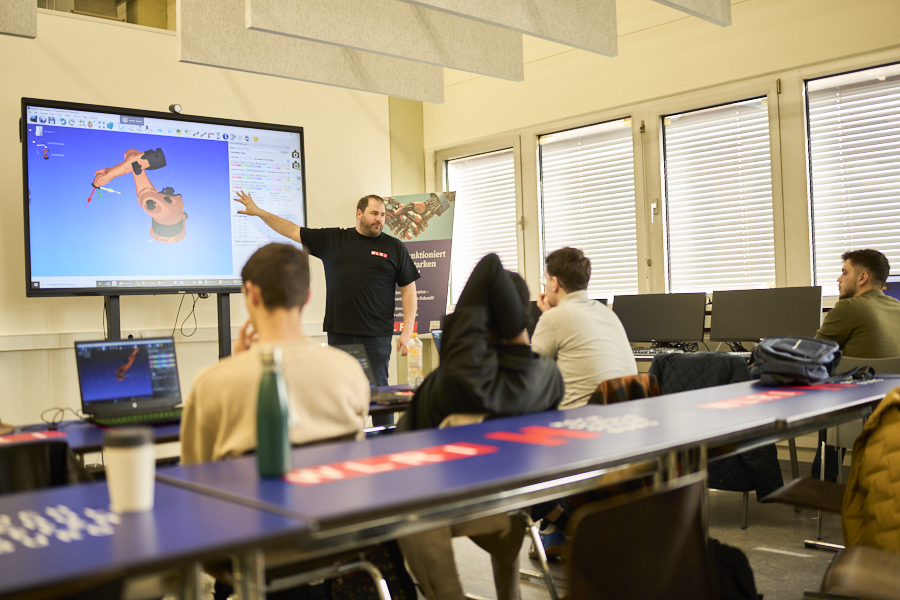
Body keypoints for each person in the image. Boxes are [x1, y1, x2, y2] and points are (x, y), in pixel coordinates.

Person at [396, 253, 563, 600]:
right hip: (510, 509)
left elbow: (488, 265)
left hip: (436, 504)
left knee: (404, 515)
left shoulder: (459, 383)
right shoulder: (547, 377)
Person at [180, 243, 370, 464]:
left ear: (252, 294)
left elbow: (195, 473)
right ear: (307, 296)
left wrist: (237, 364)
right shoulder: (350, 370)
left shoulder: (211, 384)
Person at [234, 192, 420, 389]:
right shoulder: (333, 239)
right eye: (374, 213)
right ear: (359, 213)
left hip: (377, 335)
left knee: (379, 392)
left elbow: (408, 289)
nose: (379, 219)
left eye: (383, 215)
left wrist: (407, 329)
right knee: (339, 389)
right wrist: (259, 212)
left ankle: (384, 423)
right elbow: (292, 230)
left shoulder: (395, 247)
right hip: (340, 333)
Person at [813, 248, 900, 480]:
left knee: (831, 394)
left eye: (844, 272)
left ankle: (822, 483)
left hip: (855, 419)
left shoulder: (848, 307)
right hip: (893, 415)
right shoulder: (898, 308)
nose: (839, 279)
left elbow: (812, 354)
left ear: (862, 278)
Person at [532, 247, 637, 409]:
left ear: (554, 283)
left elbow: (530, 374)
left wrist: (550, 316)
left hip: (581, 419)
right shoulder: (607, 313)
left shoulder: (554, 318)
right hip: (624, 415)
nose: (544, 286)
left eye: (545, 280)